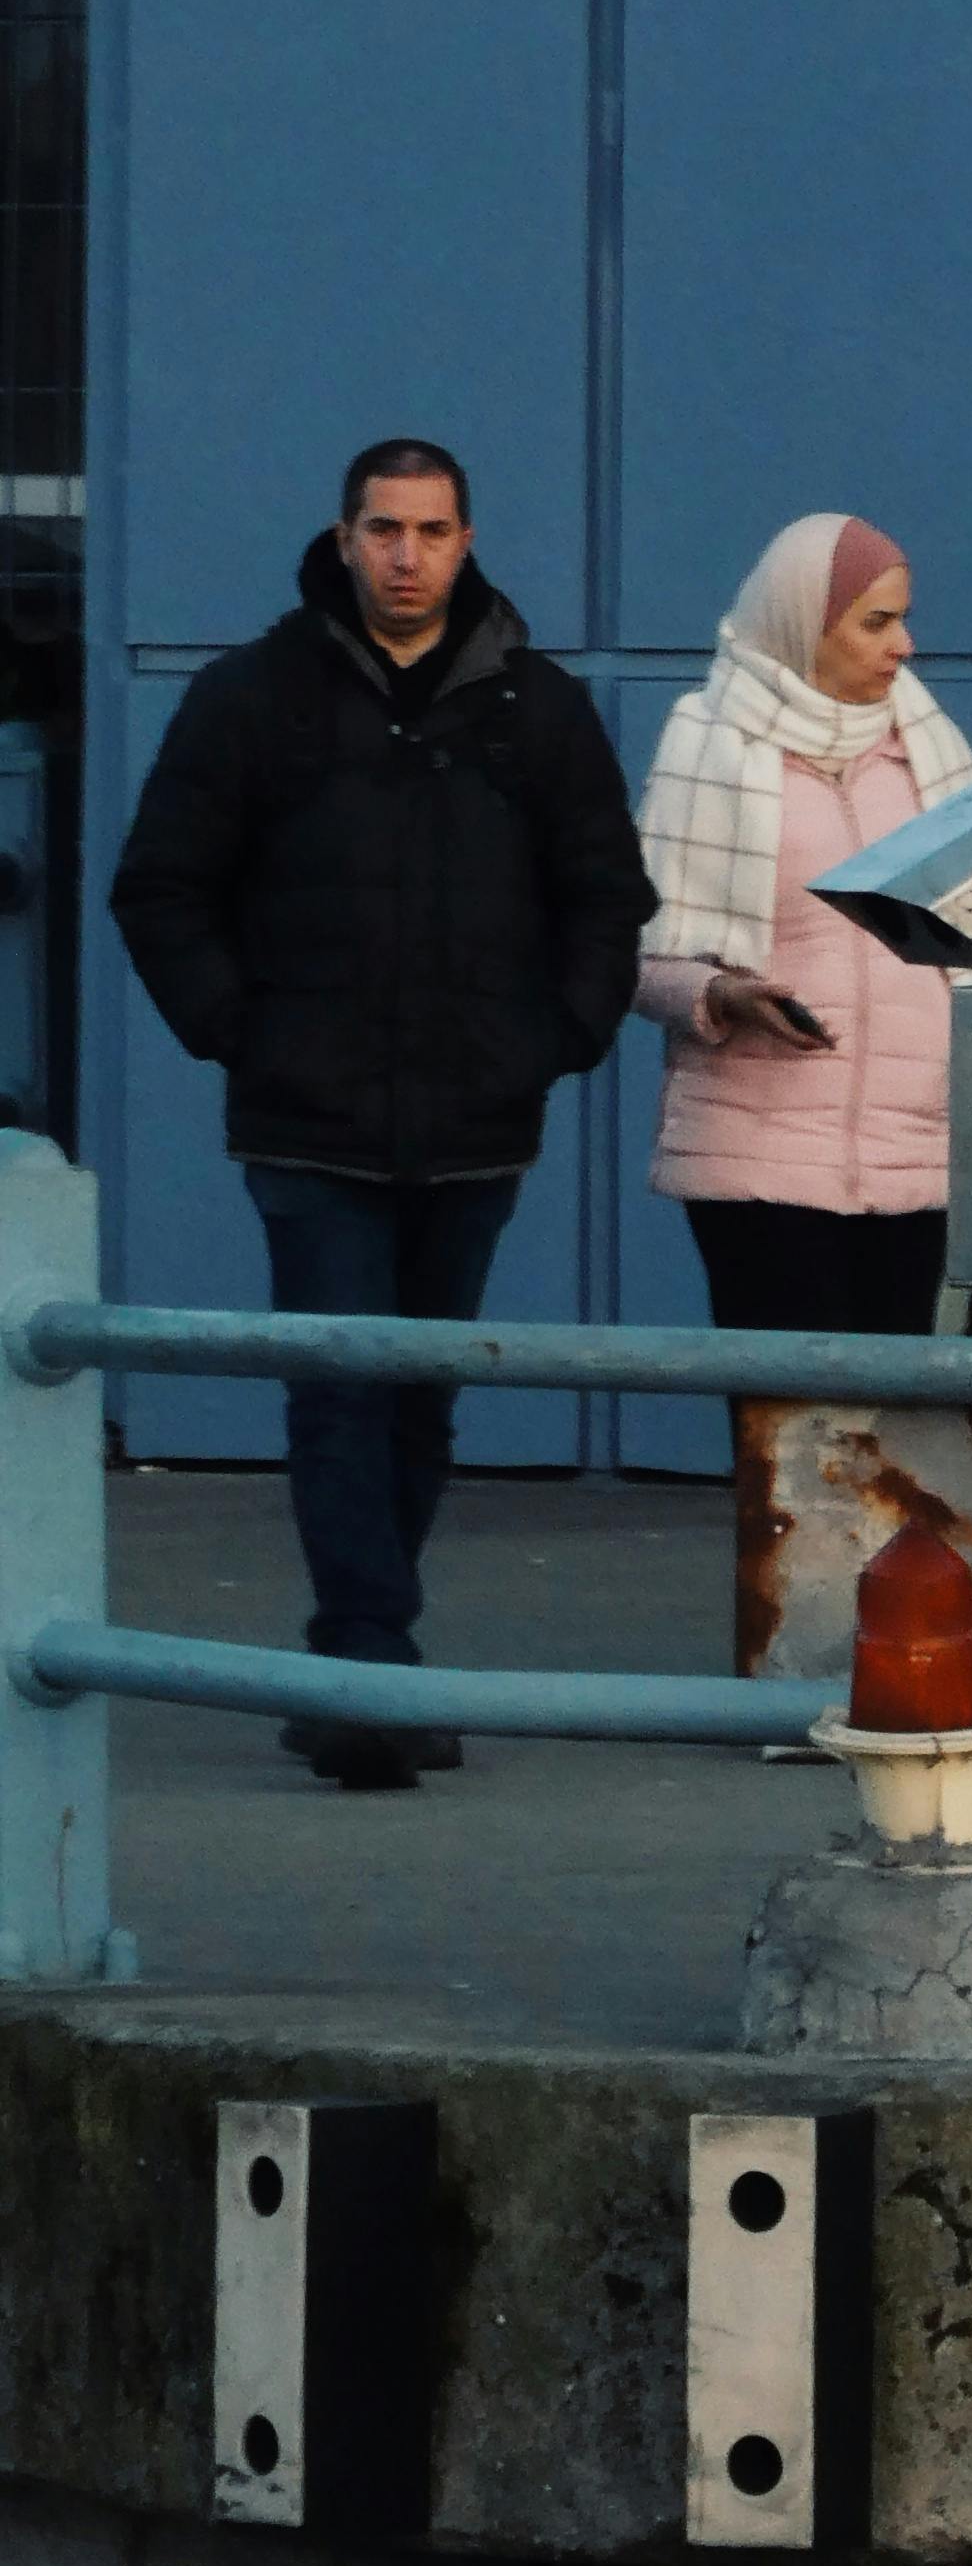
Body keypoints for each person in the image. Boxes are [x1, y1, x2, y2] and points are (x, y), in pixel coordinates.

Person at [110, 437, 650, 1791]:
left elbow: (606, 895)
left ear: (467, 541)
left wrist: (557, 1040)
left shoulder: (537, 709)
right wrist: (244, 1032)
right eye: (383, 529)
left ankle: (360, 1664)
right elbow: (160, 886)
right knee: (340, 1388)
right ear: (343, 536)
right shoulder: (254, 696)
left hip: (476, 1119)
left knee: (418, 1397)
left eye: (432, 530)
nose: (407, 556)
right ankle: (366, 1660)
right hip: (309, 1121)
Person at [634, 513, 972, 1336]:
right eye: (876, 623)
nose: (904, 646)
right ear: (803, 626)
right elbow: (632, 949)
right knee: (790, 1407)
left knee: (892, 1411)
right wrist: (721, 994)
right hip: (758, 1156)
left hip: (912, 1158)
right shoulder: (709, 744)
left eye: (902, 619)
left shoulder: (928, 751)